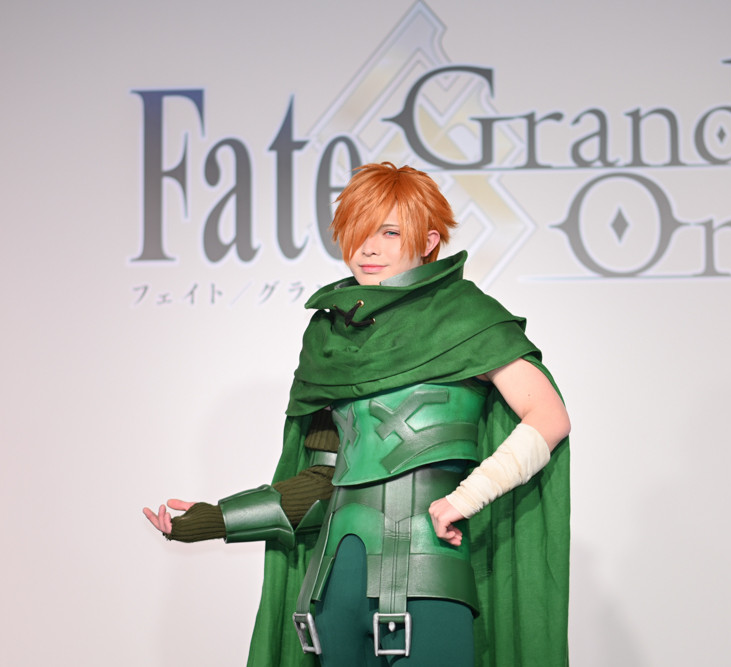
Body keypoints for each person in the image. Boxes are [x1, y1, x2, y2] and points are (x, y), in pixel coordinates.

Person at [144, 162, 571, 667]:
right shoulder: (331, 337)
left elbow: (548, 417)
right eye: (357, 231)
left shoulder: (468, 318)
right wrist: (214, 519)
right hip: (333, 588)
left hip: (430, 576)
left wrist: (467, 497)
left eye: (390, 232)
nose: (368, 248)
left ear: (429, 241)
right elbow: (322, 482)